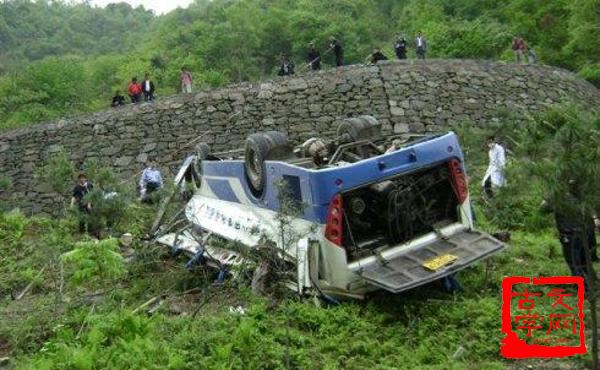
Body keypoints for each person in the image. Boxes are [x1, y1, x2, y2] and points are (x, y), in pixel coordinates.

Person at [541, 181, 598, 289]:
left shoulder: (559, 198)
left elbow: (543, 209)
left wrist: (548, 199)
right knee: (583, 261)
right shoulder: (580, 197)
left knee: (574, 263)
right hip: (583, 233)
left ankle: (585, 289)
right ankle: (591, 283)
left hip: (569, 235)